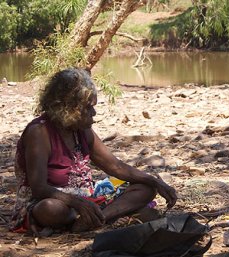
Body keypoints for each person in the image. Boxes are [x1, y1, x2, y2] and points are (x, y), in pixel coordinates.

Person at [11, 68, 177, 234]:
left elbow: (115, 166)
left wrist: (155, 181)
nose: (94, 113)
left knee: (146, 188)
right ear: (69, 108)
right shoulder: (39, 132)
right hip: (50, 201)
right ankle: (89, 217)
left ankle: (97, 219)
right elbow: (39, 188)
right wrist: (77, 203)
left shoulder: (82, 130)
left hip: (86, 198)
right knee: (51, 209)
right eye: (88, 108)